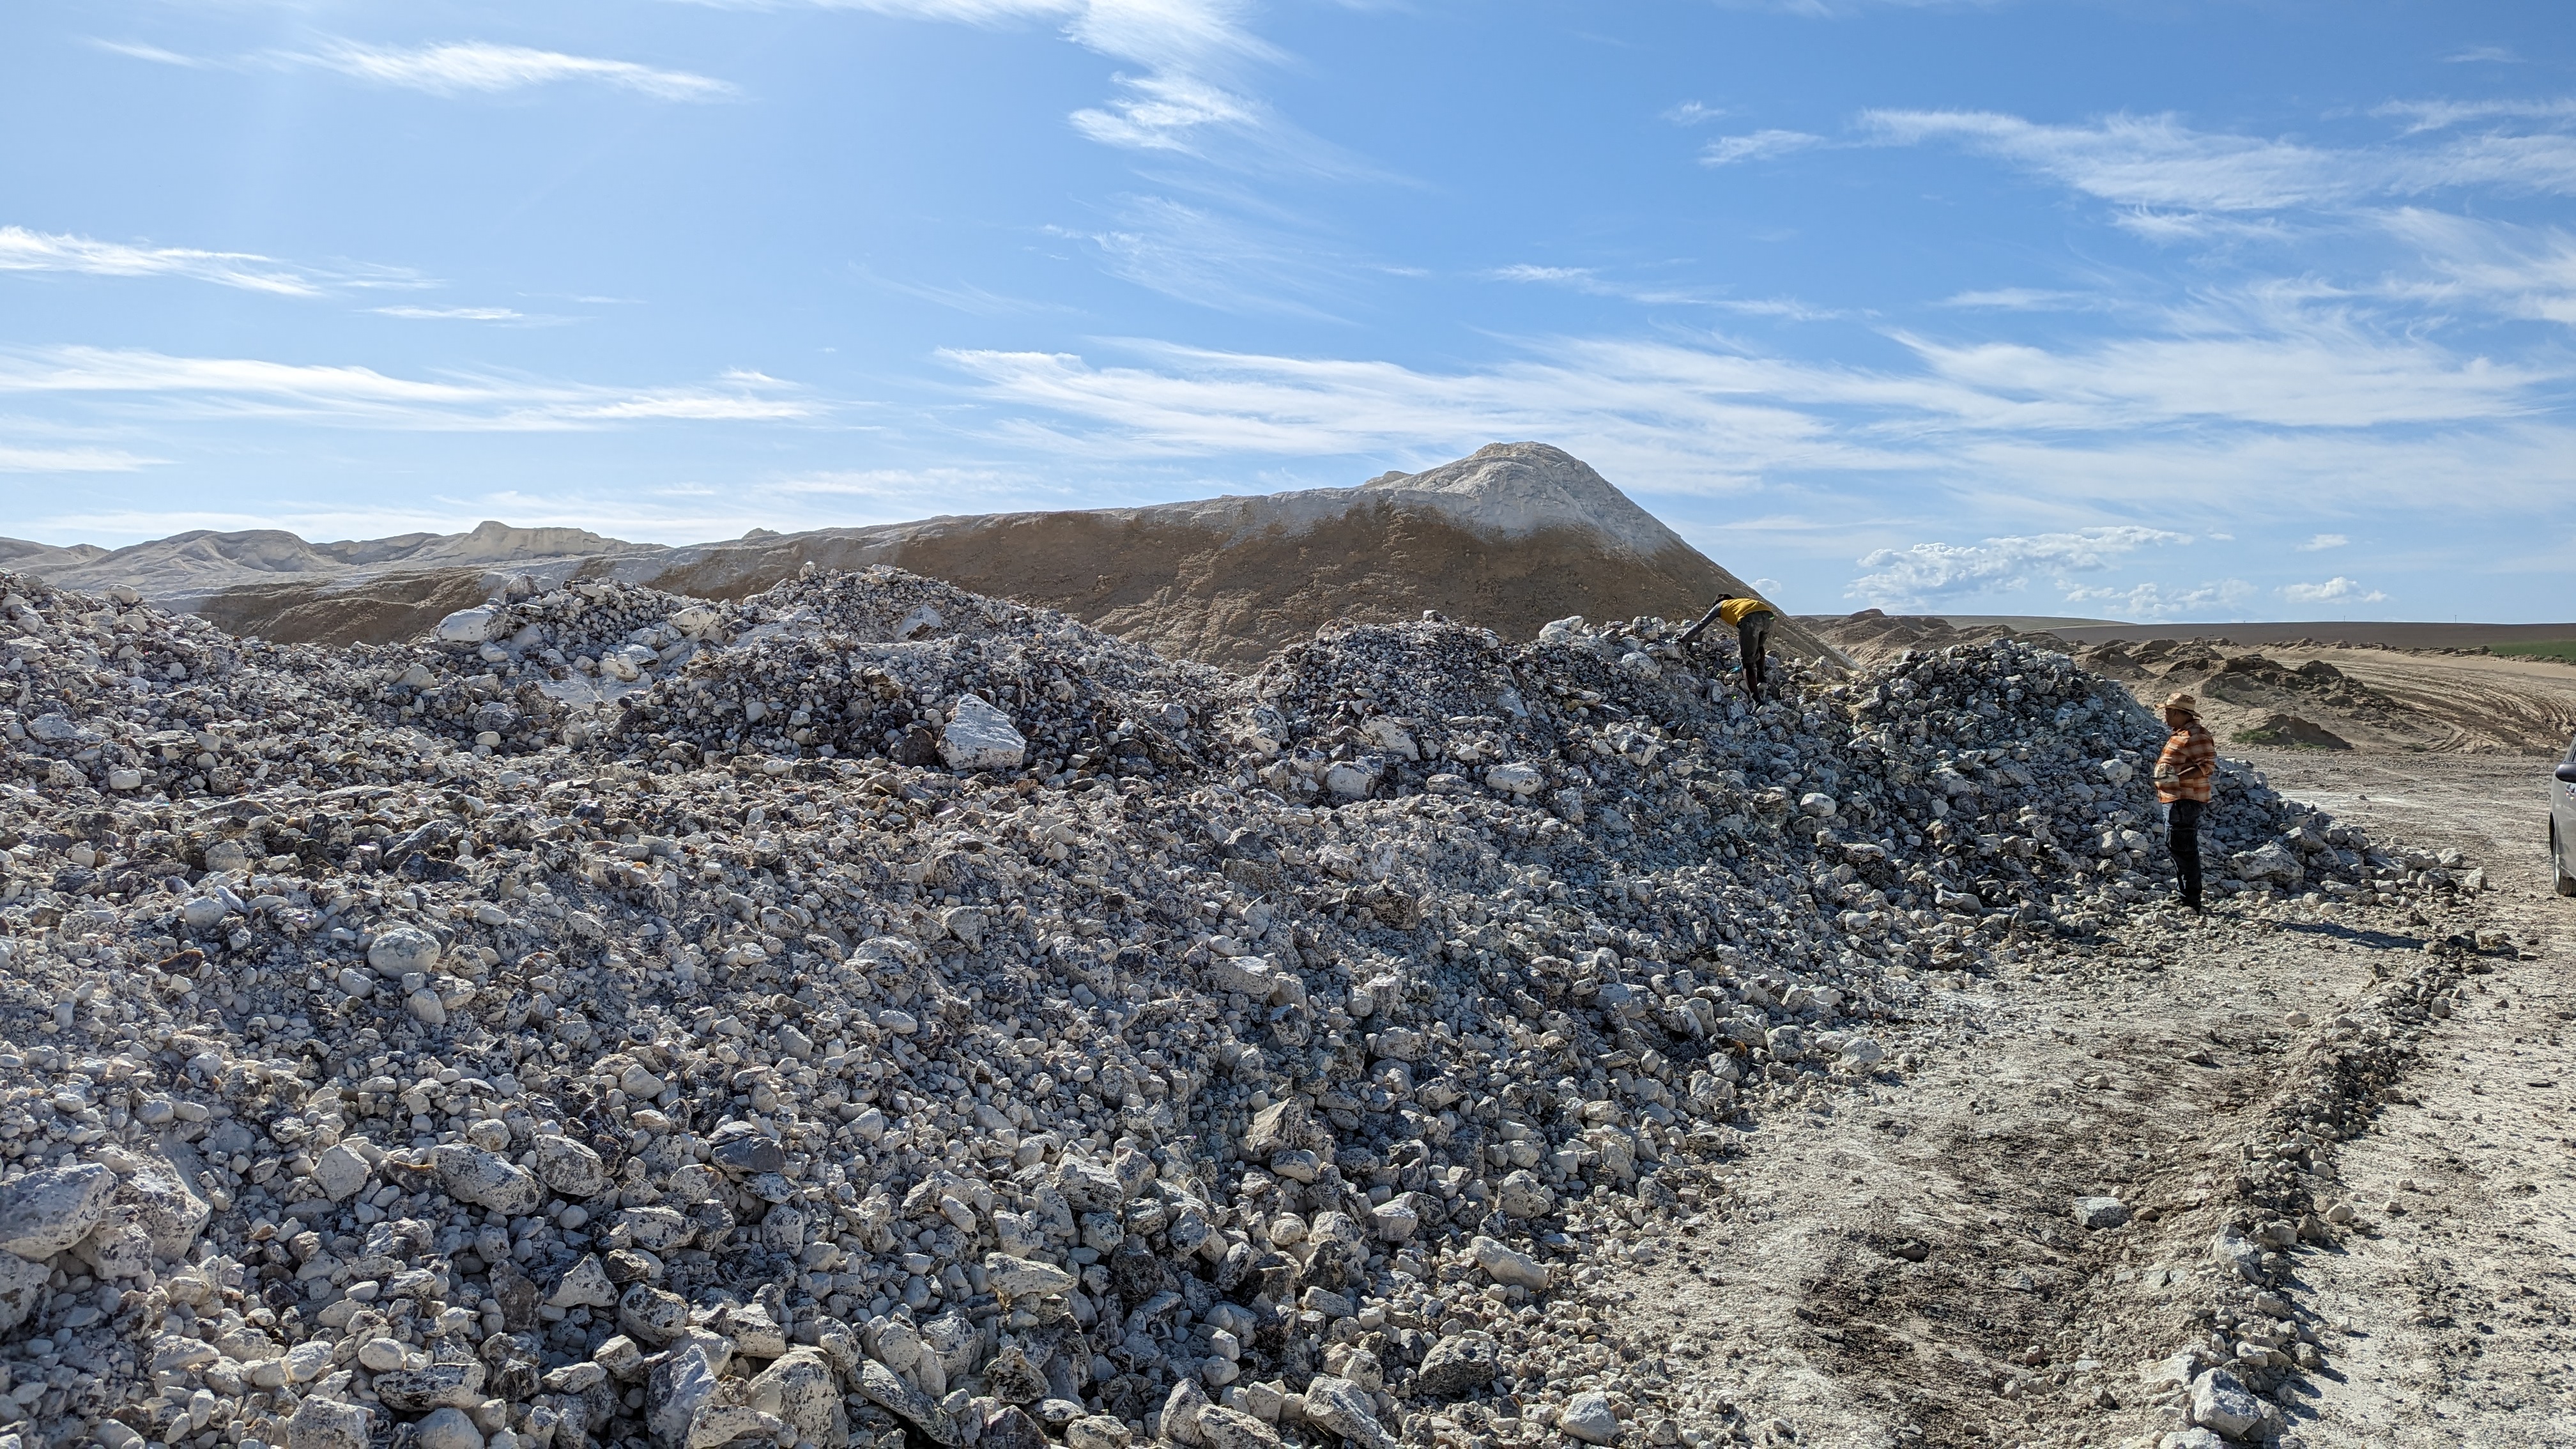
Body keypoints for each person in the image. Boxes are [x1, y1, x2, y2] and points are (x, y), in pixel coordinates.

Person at [2154, 691, 2218, 910]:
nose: (2167, 717)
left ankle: (2190, 899)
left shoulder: (2196, 735)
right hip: (2174, 799)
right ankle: (2185, 895)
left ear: (2183, 714)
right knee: (2177, 846)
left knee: (2183, 848)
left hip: (2184, 799)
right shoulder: (2182, 733)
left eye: (2170, 713)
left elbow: (2207, 766)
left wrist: (2176, 779)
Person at [1679, 591, 1779, 703]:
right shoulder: (1738, 602)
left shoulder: (1721, 605)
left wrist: (1682, 639)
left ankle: (1757, 701)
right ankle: (1762, 678)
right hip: (1768, 615)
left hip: (1751, 619)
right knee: (1759, 646)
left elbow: (1702, 624)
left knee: (1747, 663)